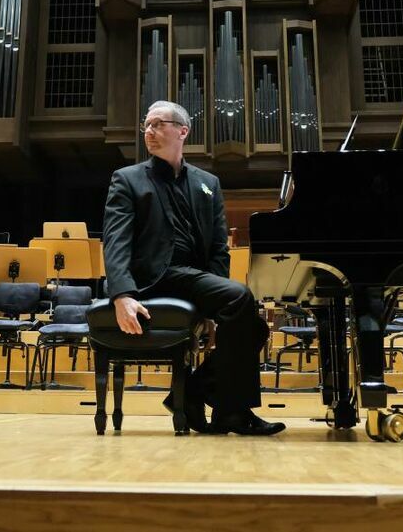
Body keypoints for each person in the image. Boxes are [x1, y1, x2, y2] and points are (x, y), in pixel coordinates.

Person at [102, 100, 284, 436]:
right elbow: (115, 241)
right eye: (147, 125)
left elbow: (218, 247)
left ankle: (196, 396)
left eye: (158, 124)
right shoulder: (127, 179)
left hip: (193, 278)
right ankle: (228, 410)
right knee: (240, 297)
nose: (149, 131)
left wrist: (213, 301)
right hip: (151, 279)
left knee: (254, 328)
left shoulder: (207, 183)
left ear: (182, 131)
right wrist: (122, 294)